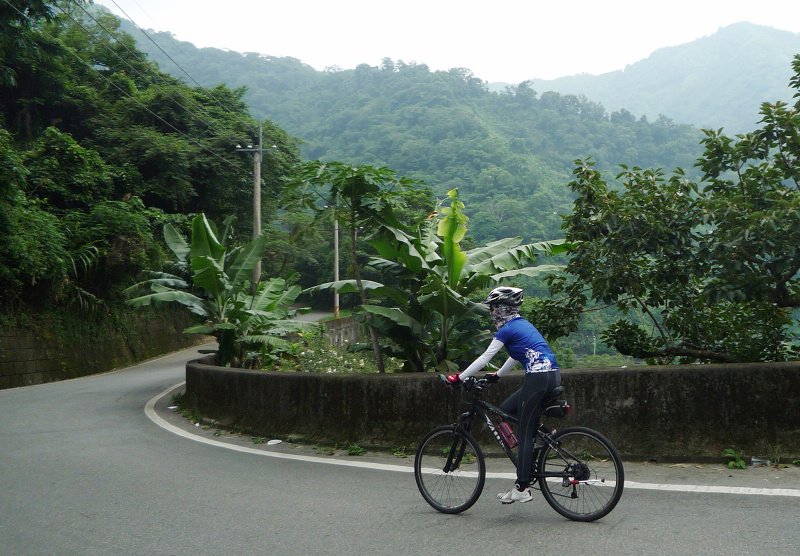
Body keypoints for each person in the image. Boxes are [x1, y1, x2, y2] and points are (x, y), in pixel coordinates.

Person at [446, 286, 561, 504]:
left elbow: (483, 358)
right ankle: (542, 438)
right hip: (550, 376)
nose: (491, 313)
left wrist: (459, 378)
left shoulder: (507, 330)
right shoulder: (521, 325)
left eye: (493, 308)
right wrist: (498, 375)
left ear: (502, 309)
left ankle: (522, 487)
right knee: (504, 411)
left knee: (525, 434)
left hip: (538, 379)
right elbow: (518, 354)